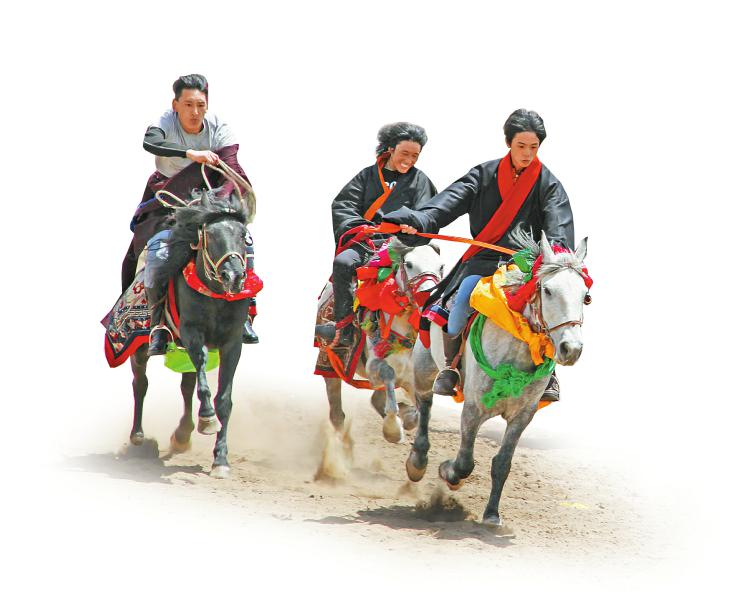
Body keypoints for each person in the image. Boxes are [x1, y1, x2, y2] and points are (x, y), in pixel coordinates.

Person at [382, 109, 574, 401]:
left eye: (534, 147)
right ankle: (451, 367)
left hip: (524, 266)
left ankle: (549, 375)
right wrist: (419, 221)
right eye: (521, 146)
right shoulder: (484, 175)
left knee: (546, 308)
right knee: (458, 304)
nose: (527, 153)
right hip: (484, 260)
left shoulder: (549, 185)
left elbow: (558, 225)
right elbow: (448, 202)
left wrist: (556, 255)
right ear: (508, 143)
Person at [120, 74, 259, 356]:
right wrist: (190, 153)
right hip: (168, 200)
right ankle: (157, 324)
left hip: (209, 201)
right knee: (155, 252)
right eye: (188, 105)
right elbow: (150, 142)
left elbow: (231, 168)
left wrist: (218, 202)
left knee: (243, 243)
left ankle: (245, 313)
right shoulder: (164, 122)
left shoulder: (220, 129)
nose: (195, 112)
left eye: (200, 105)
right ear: (175, 105)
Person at [316, 122, 437, 348]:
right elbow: (343, 205)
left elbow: (429, 213)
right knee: (343, 262)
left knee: (430, 272)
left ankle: (430, 332)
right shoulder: (367, 176)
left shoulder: (421, 181)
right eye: (404, 153)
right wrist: (363, 227)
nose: (409, 160)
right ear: (390, 149)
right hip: (367, 242)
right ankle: (344, 326)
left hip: (404, 245)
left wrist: (413, 225)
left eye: (415, 155)